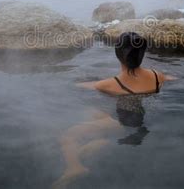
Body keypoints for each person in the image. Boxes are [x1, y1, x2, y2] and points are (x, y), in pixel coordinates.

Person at [53, 32, 176, 188]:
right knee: (93, 113)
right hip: (143, 120)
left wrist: (71, 82)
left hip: (121, 122)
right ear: (142, 54)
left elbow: (85, 86)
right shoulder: (157, 76)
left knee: (68, 135)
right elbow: (171, 78)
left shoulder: (108, 84)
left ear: (118, 54)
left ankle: (75, 167)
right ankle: (101, 142)